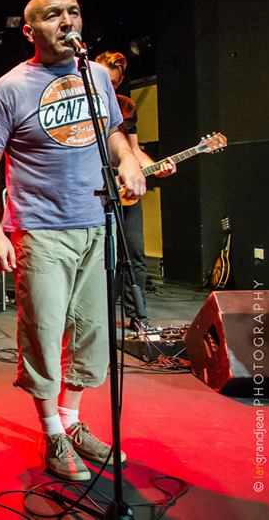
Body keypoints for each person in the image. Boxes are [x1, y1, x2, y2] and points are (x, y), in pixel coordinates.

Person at [0, 0, 146, 481]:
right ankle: (51, 433)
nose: (67, 21)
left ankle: (71, 420)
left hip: (96, 222)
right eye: (54, 15)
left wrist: (129, 160)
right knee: (45, 335)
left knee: (92, 332)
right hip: (40, 230)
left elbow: (112, 132)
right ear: (31, 31)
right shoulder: (8, 89)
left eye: (74, 12)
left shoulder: (96, 76)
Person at [94, 51, 175, 330]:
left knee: (134, 253)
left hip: (124, 191)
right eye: (107, 80)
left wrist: (156, 166)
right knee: (102, 258)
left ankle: (137, 316)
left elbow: (134, 150)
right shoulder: (84, 104)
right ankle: (98, 315)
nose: (111, 86)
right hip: (96, 189)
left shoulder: (125, 107)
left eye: (116, 82)